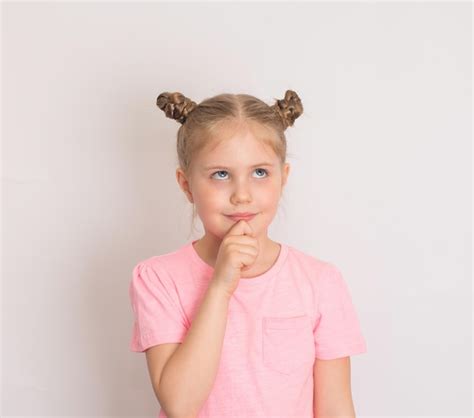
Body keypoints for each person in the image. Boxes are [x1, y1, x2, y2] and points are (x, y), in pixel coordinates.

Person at [128, 90, 367, 418]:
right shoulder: (158, 278)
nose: (242, 195)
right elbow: (179, 405)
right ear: (186, 186)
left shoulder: (320, 281)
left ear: (282, 178)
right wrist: (220, 286)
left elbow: (336, 407)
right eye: (221, 175)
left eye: (259, 173)